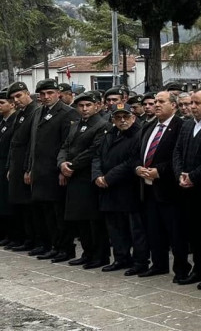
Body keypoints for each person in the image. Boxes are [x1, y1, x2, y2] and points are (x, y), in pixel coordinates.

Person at [27, 79, 81, 263]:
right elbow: (33, 144)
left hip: (55, 170)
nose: (46, 97)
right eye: (42, 94)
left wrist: (63, 169)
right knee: (46, 212)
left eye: (50, 93)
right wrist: (30, 168)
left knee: (59, 213)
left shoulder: (67, 113)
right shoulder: (38, 112)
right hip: (40, 171)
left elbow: (69, 144)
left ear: (58, 93)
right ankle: (54, 246)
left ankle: (65, 248)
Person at [134, 91, 186, 278]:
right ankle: (159, 264)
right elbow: (138, 153)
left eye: (161, 101)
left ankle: (181, 268)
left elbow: (178, 156)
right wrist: (138, 168)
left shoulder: (181, 126)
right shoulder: (148, 127)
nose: (156, 105)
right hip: (147, 187)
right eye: (155, 101)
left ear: (173, 105)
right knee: (154, 230)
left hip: (169, 189)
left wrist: (160, 171)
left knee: (175, 231)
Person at [57, 92, 110, 270]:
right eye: (81, 106)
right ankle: (87, 253)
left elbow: (93, 151)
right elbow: (65, 146)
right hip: (74, 177)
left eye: (88, 105)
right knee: (80, 219)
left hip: (87, 177)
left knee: (93, 220)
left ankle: (99, 255)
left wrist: (71, 165)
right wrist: (62, 163)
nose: (84, 109)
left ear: (96, 106)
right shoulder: (76, 124)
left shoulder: (102, 125)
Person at [93, 104, 147, 275]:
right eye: (118, 117)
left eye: (126, 116)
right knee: (115, 228)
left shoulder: (139, 134)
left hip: (127, 187)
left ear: (133, 117)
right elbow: (97, 155)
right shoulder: (109, 133)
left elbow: (132, 161)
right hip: (107, 189)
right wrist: (97, 175)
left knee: (135, 229)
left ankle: (140, 261)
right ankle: (121, 258)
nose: (122, 120)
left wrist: (108, 177)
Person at [172, 89, 201, 287]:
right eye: (191, 103)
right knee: (194, 233)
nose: (192, 107)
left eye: (197, 103)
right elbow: (178, 152)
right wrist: (180, 174)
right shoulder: (188, 125)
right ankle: (199, 268)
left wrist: (193, 177)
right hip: (186, 188)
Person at [6, 82, 42, 253]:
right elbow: (14, 142)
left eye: (19, 96)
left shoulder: (35, 111)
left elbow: (31, 143)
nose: (16, 100)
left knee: (29, 207)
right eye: (13, 98)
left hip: (26, 164)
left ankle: (34, 239)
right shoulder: (21, 113)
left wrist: (28, 168)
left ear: (28, 93)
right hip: (17, 164)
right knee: (19, 205)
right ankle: (25, 238)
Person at [0, 90, 18, 247]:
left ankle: (13, 235)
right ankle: (5, 234)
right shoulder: (2, 121)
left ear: (11, 104)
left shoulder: (14, 120)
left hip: (8, 165)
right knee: (0, 202)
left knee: (8, 203)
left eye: (1, 103)